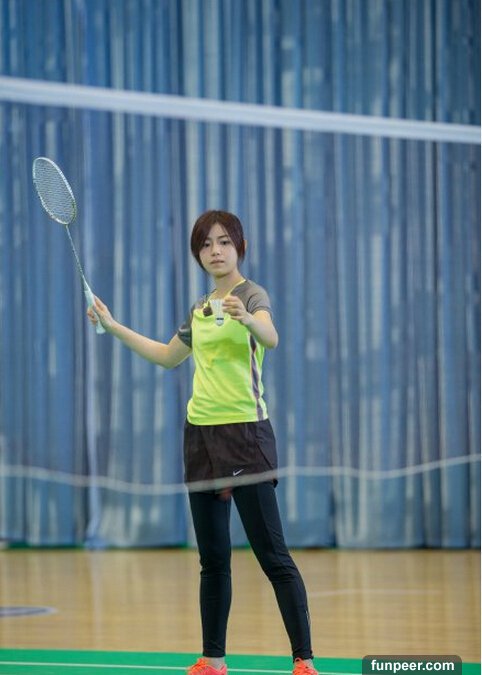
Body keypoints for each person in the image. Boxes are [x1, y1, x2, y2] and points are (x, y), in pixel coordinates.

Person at [87, 210, 318, 675]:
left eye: (224, 242)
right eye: (206, 244)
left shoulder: (251, 296)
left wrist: (248, 319)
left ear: (240, 247)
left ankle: (304, 661)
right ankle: (213, 660)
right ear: (198, 254)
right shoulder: (199, 308)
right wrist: (112, 326)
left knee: (273, 557)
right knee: (213, 559)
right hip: (200, 438)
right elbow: (166, 356)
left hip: (246, 435)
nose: (215, 251)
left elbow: (271, 337)